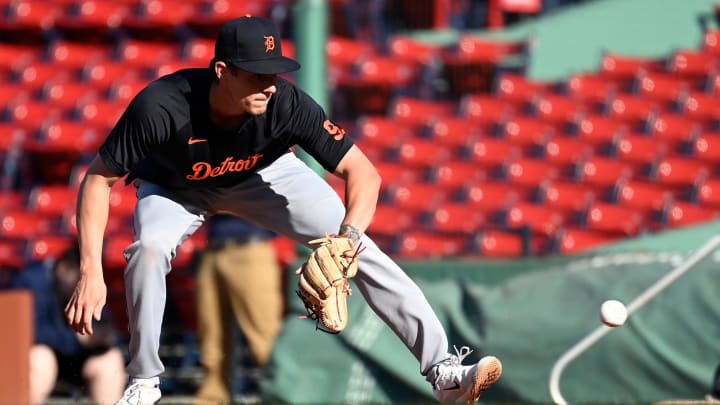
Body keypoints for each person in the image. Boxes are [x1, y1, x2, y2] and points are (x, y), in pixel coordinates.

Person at [63, 16, 502, 405]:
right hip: (177, 188)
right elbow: (97, 180)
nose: (269, 83)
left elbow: (363, 173)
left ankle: (443, 371)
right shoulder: (161, 106)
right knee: (150, 249)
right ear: (223, 72)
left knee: (364, 252)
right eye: (256, 75)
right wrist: (89, 270)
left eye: (274, 72)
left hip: (264, 175)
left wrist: (345, 242)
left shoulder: (285, 104)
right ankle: (144, 384)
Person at [10, 244, 126, 405]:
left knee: (109, 361)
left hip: (78, 359)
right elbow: (23, 333)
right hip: (44, 357)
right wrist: (76, 339)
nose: (83, 282)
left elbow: (105, 326)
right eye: (80, 276)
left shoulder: (93, 284)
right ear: (64, 268)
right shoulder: (32, 280)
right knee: (41, 358)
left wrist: (106, 336)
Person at [194, 214, 283, 404]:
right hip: (213, 249)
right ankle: (211, 399)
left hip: (251, 248)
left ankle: (282, 397)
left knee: (265, 340)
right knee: (211, 342)